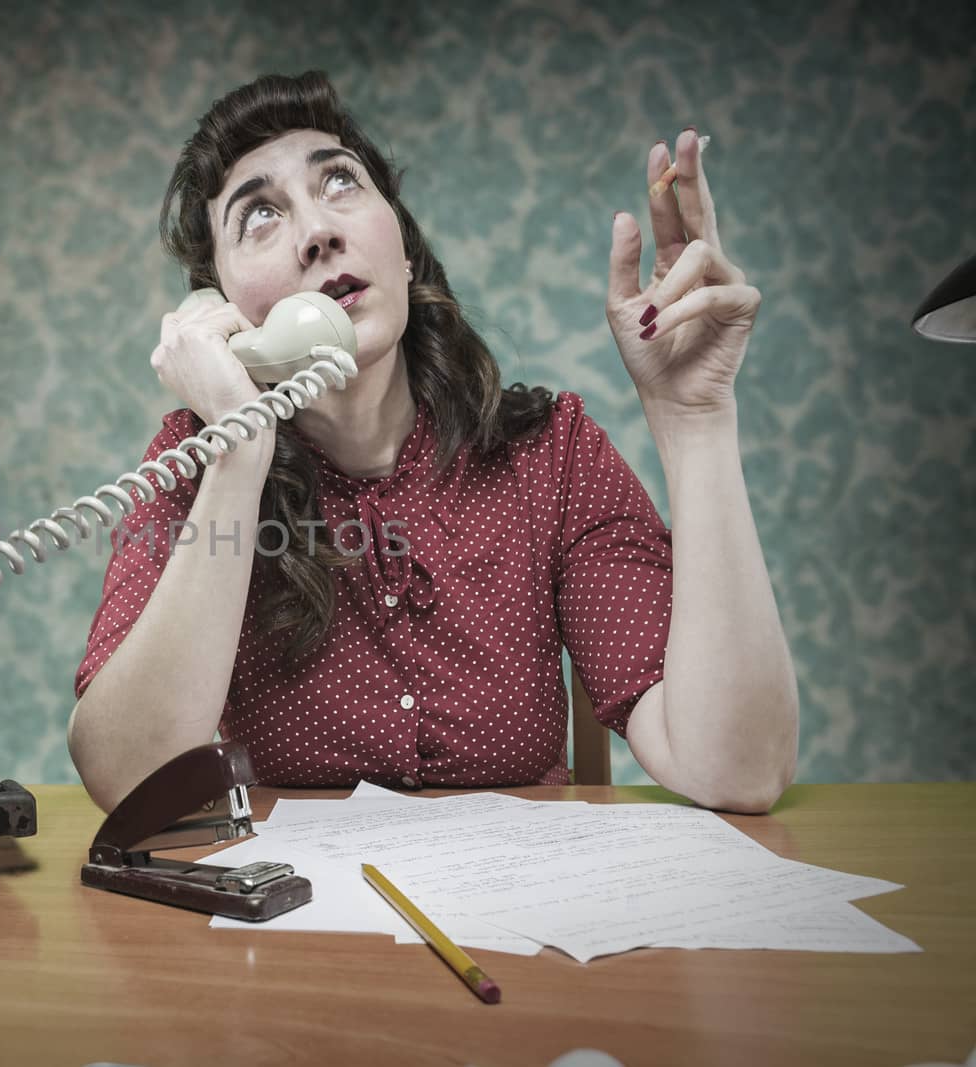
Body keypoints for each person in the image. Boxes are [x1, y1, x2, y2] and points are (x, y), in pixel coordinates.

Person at [67, 71, 798, 815]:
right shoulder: (199, 461)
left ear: (404, 252)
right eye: (259, 216)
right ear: (218, 314)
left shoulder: (553, 454)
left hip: (523, 918)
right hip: (297, 925)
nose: (317, 231)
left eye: (340, 183)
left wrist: (695, 419)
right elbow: (128, 778)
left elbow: (738, 770)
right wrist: (237, 453)